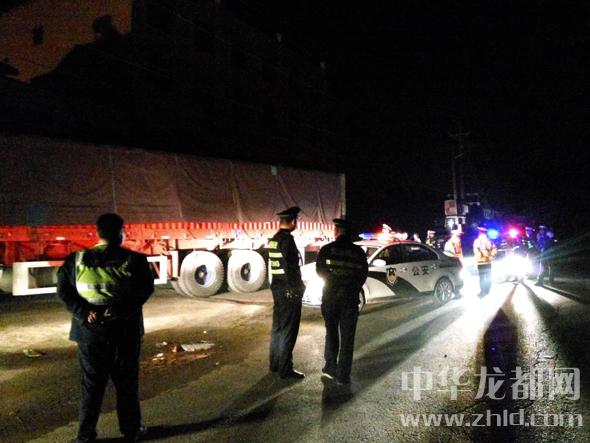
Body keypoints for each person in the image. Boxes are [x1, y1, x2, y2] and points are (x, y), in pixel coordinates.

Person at [57, 213, 154, 443]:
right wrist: (120, 311)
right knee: (126, 384)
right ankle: (131, 431)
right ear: (121, 234)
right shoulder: (135, 260)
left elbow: (64, 292)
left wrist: (85, 313)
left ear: (98, 233)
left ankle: (85, 436)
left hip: (89, 334)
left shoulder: (76, 260)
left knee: (91, 385)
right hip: (125, 332)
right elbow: (144, 290)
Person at [316, 219, 368, 385]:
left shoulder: (326, 249)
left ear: (337, 231)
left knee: (331, 333)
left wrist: (333, 283)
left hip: (330, 298)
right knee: (347, 337)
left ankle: (330, 367)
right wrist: (350, 288)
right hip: (350, 300)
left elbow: (320, 271)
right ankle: (343, 374)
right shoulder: (358, 252)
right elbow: (362, 275)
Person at [267, 206, 306, 379]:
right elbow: (290, 268)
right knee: (289, 330)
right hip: (288, 290)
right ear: (293, 222)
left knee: (278, 327)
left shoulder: (274, 239)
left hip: (277, 288)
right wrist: (297, 289)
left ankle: (275, 364)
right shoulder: (288, 241)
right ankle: (285, 369)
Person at [473, 227, 497, 296]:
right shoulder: (489, 240)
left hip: (481, 262)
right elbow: (494, 249)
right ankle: (487, 290)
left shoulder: (477, 241)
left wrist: (483, 255)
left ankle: (483, 291)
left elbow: (476, 250)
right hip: (488, 261)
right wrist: (490, 255)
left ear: (479, 232)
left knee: (482, 277)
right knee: (488, 276)